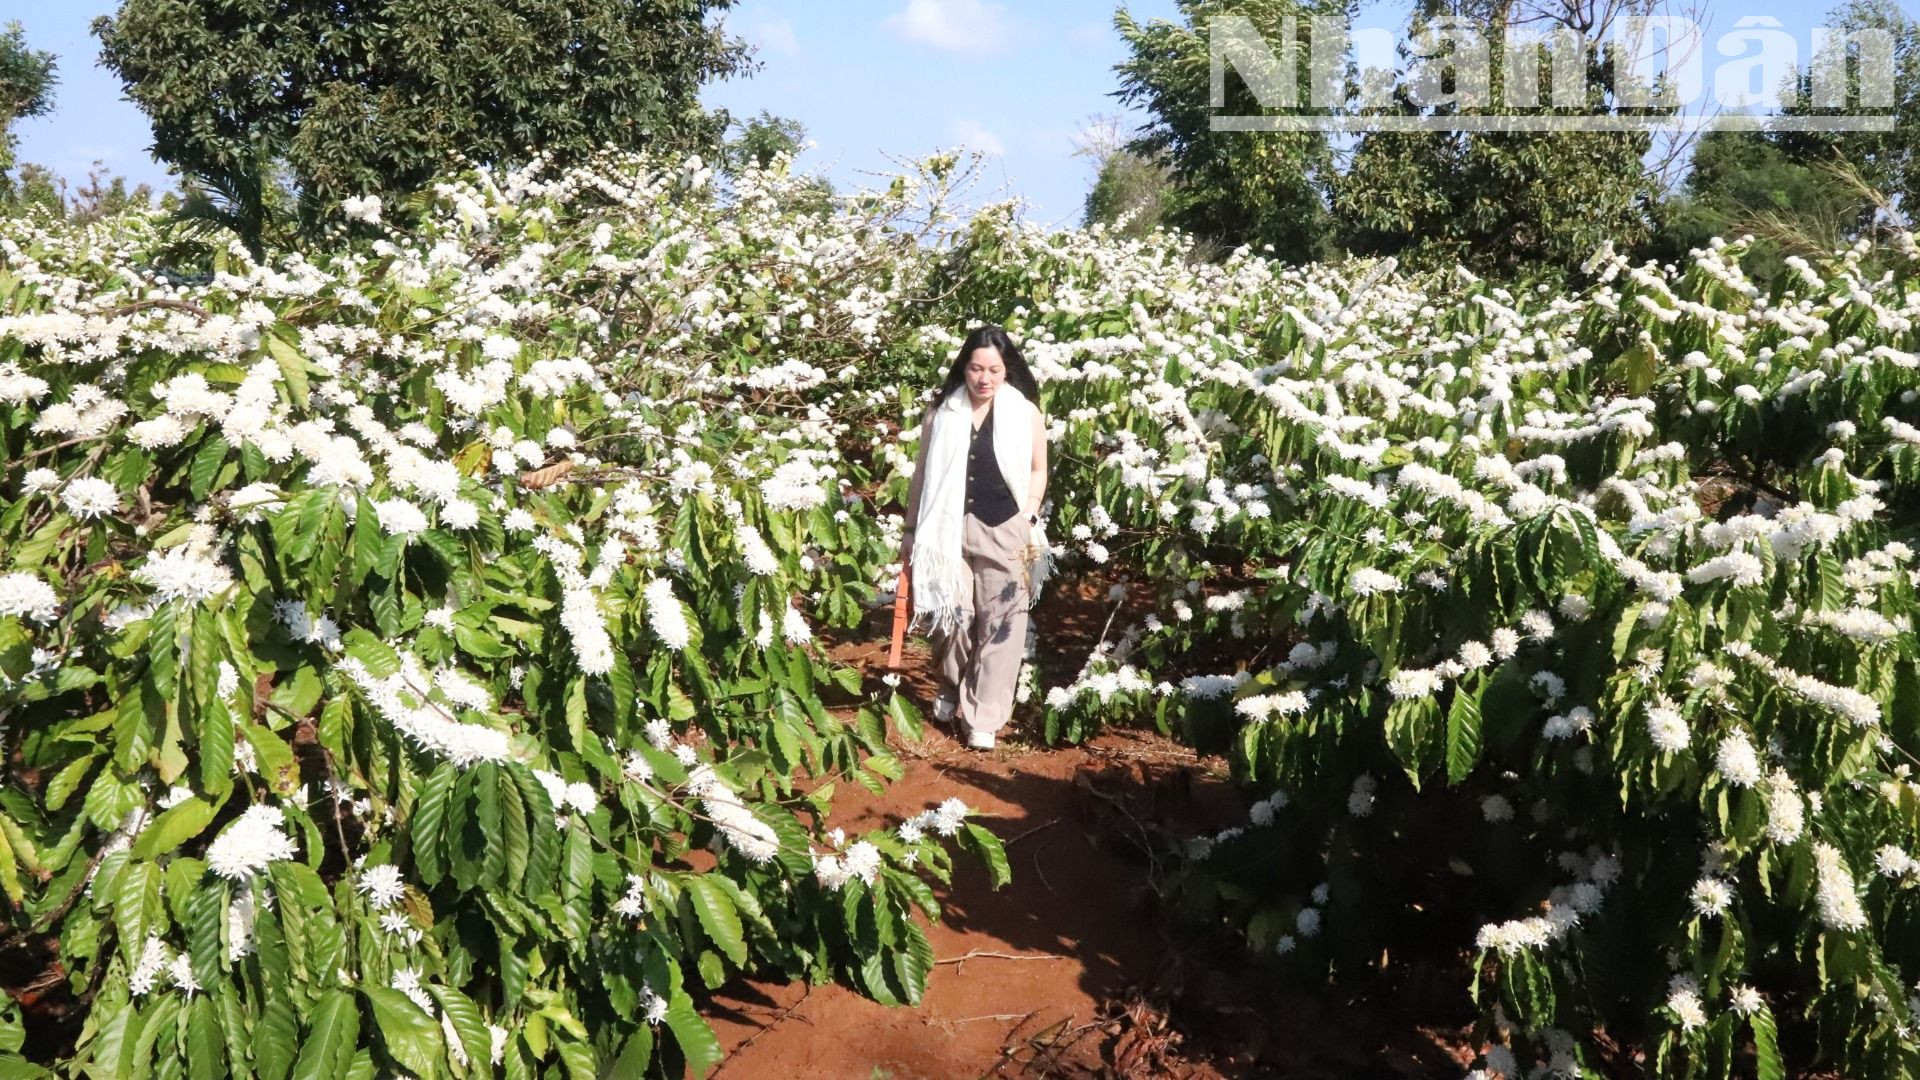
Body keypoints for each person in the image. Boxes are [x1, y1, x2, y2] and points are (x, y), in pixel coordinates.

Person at [901, 325, 1050, 750]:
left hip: (1005, 528)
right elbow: (922, 475)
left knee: (1003, 622)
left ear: (1008, 371)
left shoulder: (1026, 414)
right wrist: (911, 530)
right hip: (945, 530)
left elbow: (1038, 467)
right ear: (964, 368)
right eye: (976, 368)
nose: (984, 378)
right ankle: (952, 685)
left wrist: (1030, 511)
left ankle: (984, 715)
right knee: (954, 617)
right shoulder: (941, 413)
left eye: (994, 370)